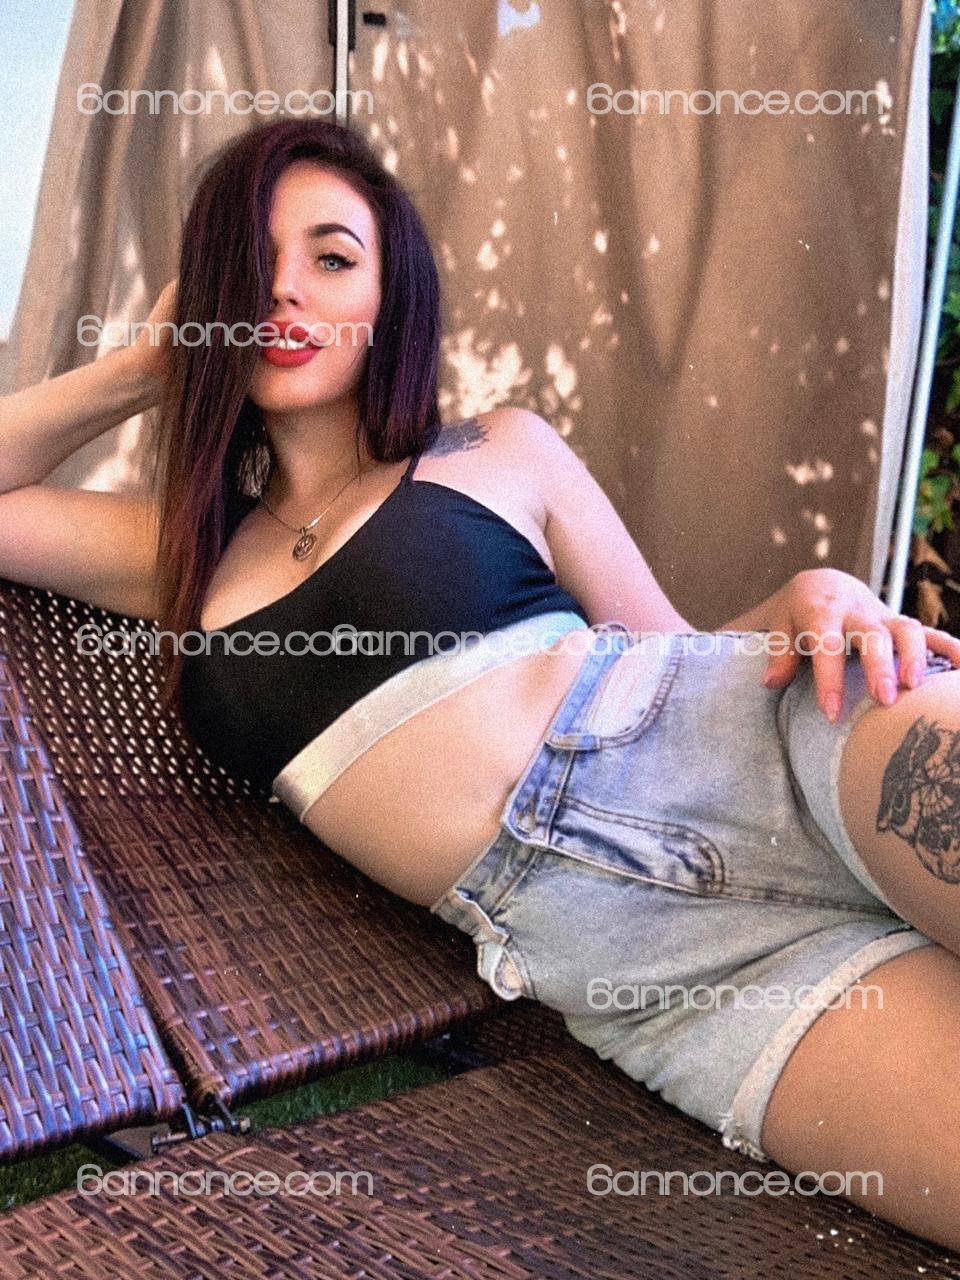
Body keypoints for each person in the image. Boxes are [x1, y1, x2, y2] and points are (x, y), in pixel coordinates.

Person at [1, 116, 959, 1247]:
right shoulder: (181, 553)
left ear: (391, 295)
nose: (284, 291)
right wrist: (138, 371)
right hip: (662, 976)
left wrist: (813, 589)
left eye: (332, 257)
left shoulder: (501, 450)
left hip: (782, 742)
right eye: (247, 267)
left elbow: (674, 644)